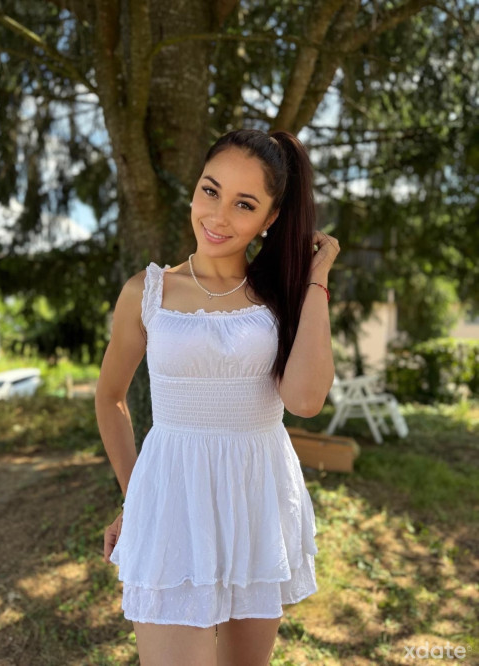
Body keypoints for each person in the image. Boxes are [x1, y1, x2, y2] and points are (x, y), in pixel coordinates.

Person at [95, 128, 340, 666]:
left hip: (257, 504)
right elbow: (110, 397)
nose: (218, 216)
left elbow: (304, 400)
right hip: (170, 506)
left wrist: (316, 278)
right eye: (211, 190)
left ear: (271, 218)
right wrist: (137, 502)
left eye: (244, 204)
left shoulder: (281, 297)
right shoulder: (146, 293)